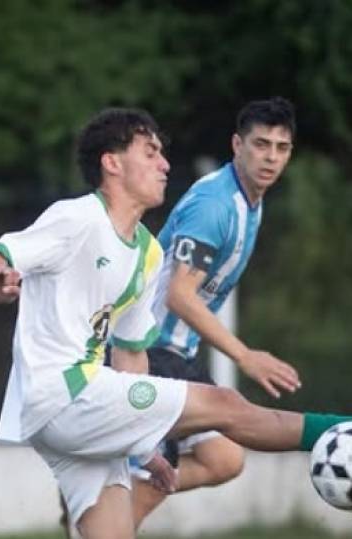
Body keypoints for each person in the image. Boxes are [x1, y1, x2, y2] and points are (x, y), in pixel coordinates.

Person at [0, 107, 352, 539]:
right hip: (66, 395)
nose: (164, 165)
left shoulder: (147, 252)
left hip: (81, 408)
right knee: (226, 405)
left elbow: (131, 353)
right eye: (150, 152)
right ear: (111, 163)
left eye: (163, 154)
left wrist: (142, 450)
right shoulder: (77, 218)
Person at [125, 96, 301, 528]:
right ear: (237, 145)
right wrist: (244, 356)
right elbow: (180, 296)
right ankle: (105, 509)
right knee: (147, 486)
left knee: (223, 459)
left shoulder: (250, 202)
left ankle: (104, 496)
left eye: (280, 148)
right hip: (151, 350)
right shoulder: (216, 206)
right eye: (261, 145)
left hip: (177, 352)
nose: (270, 157)